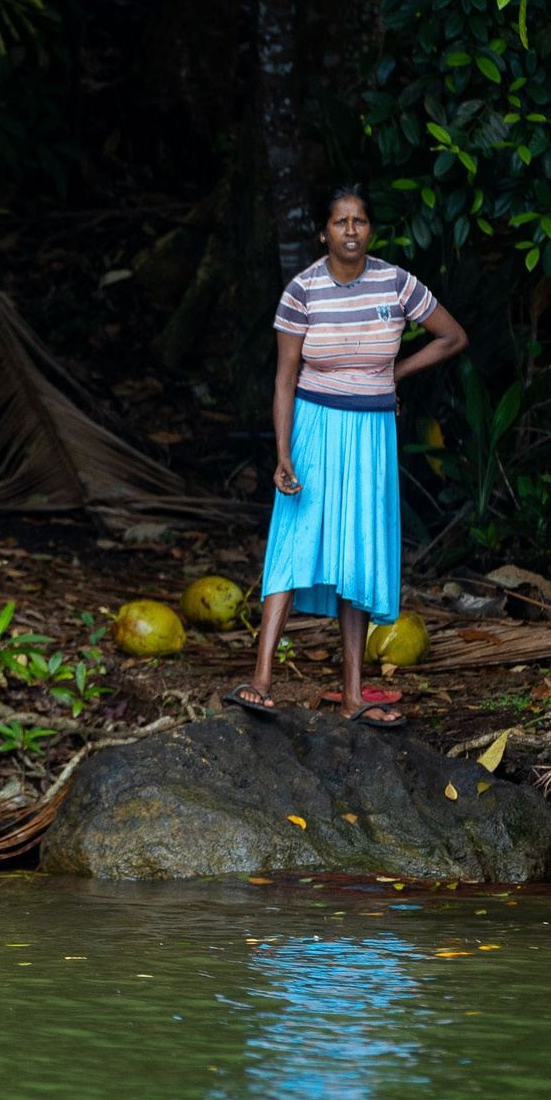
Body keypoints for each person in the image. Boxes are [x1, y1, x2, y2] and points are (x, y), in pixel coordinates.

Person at [235, 185, 467, 727]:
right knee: (294, 539)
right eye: (340, 222)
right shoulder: (302, 290)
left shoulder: (396, 282)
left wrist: (396, 373)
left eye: (360, 221)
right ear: (324, 232)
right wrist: (283, 451)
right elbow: (285, 378)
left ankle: (355, 695)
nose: (351, 231)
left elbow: (451, 336)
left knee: (359, 551)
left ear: (370, 230)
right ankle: (261, 680)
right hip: (314, 426)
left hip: (371, 432)